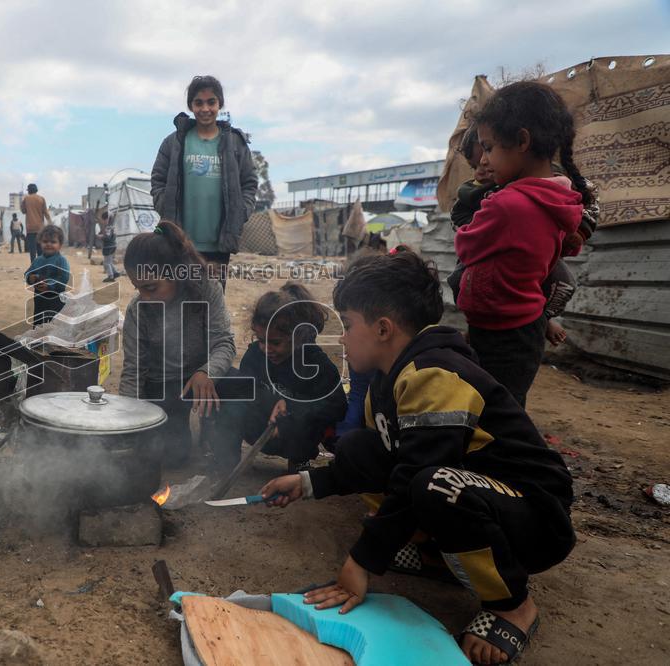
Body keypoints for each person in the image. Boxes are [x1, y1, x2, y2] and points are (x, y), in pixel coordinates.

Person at [261, 250, 575, 666]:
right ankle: (434, 554)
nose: (342, 338)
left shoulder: (435, 375)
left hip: (533, 517)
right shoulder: (387, 382)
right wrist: (309, 483)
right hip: (475, 493)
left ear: (383, 328)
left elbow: (414, 475)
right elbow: (383, 457)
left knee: (434, 486)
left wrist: (361, 562)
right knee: (358, 445)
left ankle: (513, 605)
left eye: (348, 325)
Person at [454, 81, 591, 407]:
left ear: (521, 141)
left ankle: (507, 456)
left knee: (495, 408)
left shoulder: (507, 204)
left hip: (500, 327)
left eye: (488, 148)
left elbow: (466, 246)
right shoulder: (557, 197)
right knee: (508, 401)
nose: (484, 159)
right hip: (524, 324)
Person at [448, 125, 599, 350]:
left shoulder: (548, 180)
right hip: (485, 251)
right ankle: (476, 327)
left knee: (564, 283)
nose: (482, 168)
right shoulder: (474, 191)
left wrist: (579, 232)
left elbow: (587, 201)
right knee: (461, 279)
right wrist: (482, 227)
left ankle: (544, 318)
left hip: (536, 254)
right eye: (475, 165)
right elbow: (459, 217)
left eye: (488, 154)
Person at [119, 221, 236, 466]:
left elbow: (224, 343)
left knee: (239, 385)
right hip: (161, 387)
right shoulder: (137, 310)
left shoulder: (207, 290)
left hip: (200, 381)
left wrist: (207, 371)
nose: (145, 296)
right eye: (138, 289)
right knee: (171, 455)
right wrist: (128, 422)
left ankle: (213, 433)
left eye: (151, 287)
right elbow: (133, 371)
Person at [207, 283, 347, 474]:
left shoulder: (316, 364)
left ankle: (299, 464)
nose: (266, 348)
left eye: (275, 342)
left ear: (298, 336)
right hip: (259, 429)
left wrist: (292, 409)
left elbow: (337, 406)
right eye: (261, 340)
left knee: (309, 420)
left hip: (294, 436)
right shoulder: (255, 356)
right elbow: (247, 392)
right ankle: (226, 461)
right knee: (226, 385)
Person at [150, 76, 257, 291]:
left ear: (220, 105)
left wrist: (240, 212)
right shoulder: (174, 142)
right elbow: (158, 180)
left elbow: (249, 183)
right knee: (180, 302)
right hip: (180, 243)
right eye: (199, 102)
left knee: (212, 304)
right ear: (191, 106)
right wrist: (165, 207)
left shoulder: (235, 143)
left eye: (211, 102)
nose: (205, 108)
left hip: (219, 245)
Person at [24, 225, 70, 326]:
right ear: (40, 243)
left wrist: (50, 286)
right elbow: (27, 273)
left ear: (60, 245)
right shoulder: (37, 260)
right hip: (39, 297)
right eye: (45, 241)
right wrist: (30, 278)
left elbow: (64, 278)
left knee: (55, 323)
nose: (48, 244)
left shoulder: (61, 260)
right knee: (39, 322)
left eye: (53, 242)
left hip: (56, 298)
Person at [21, 184, 52, 264]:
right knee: (40, 250)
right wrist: (50, 223)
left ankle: (34, 268)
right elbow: (46, 212)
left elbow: (23, 211)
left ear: (29, 190)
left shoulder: (26, 199)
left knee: (32, 250)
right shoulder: (41, 199)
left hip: (30, 228)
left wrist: (23, 201)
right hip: (40, 229)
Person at [101, 212, 120, 282]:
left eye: (104, 220)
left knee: (106, 263)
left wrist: (101, 237)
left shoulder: (108, 227)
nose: (103, 221)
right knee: (109, 261)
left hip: (108, 247)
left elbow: (107, 238)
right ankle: (115, 272)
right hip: (113, 246)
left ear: (107, 219)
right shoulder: (112, 226)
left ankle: (110, 276)